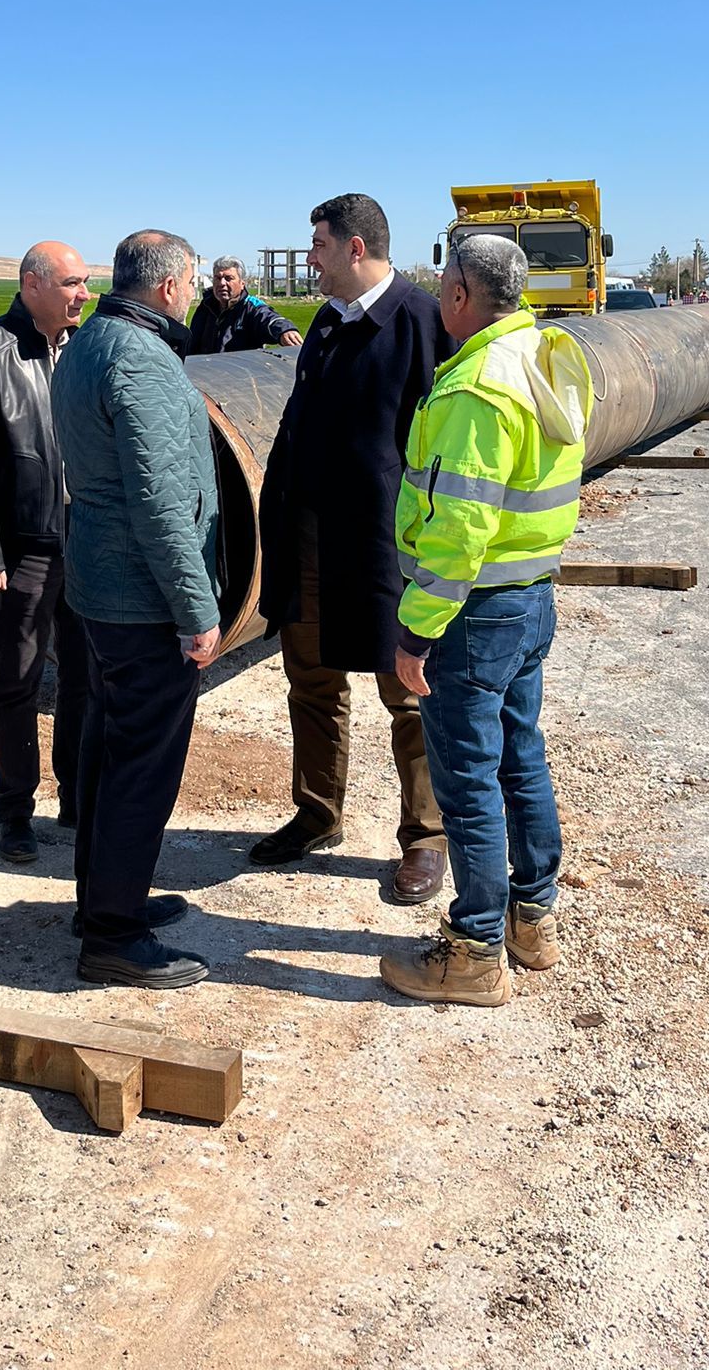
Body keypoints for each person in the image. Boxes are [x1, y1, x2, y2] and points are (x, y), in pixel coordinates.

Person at [378, 233, 590, 1008]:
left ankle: (473, 952)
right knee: (519, 759)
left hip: (474, 611)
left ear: (463, 296)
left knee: (466, 782)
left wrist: (417, 631)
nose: (438, 298)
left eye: (443, 286)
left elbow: (459, 527)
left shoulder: (475, 387)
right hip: (531, 595)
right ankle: (534, 920)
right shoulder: (541, 354)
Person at [252, 193, 453, 903]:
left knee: (410, 696)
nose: (312, 259)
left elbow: (437, 455)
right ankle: (317, 811)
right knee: (309, 682)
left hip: (384, 553)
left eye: (319, 246)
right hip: (310, 545)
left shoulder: (421, 323)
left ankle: (427, 837)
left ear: (356, 248)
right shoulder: (328, 325)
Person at [51, 230, 221, 989]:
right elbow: (158, 502)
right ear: (167, 285)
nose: (190, 292)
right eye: (187, 281)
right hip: (142, 599)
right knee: (142, 767)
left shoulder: (90, 342)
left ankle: (104, 902)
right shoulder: (142, 359)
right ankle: (113, 935)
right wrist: (196, 607)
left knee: (107, 746)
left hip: (99, 583)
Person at [0, 244, 93, 862]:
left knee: (86, 677)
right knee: (16, 683)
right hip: (23, 549)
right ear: (33, 285)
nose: (83, 295)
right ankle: (14, 811)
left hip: (84, 544)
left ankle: (79, 799)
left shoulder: (83, 351)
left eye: (86, 284)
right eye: (73, 284)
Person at [188, 257, 305, 354]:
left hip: (239, 377)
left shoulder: (249, 306)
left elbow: (267, 317)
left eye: (228, 278)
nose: (222, 283)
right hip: (204, 375)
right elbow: (192, 342)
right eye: (217, 278)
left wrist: (284, 330)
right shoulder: (206, 306)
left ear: (242, 283)